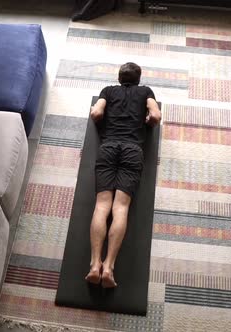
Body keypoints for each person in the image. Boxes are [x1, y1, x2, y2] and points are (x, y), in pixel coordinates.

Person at [85, 62, 161, 288]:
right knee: (120, 208)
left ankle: (94, 265)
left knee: (101, 206)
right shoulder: (146, 92)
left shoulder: (108, 91)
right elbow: (155, 117)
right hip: (132, 150)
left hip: (108, 147)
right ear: (138, 79)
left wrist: (101, 116)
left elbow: (96, 113)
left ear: (119, 78)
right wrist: (147, 121)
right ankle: (108, 267)